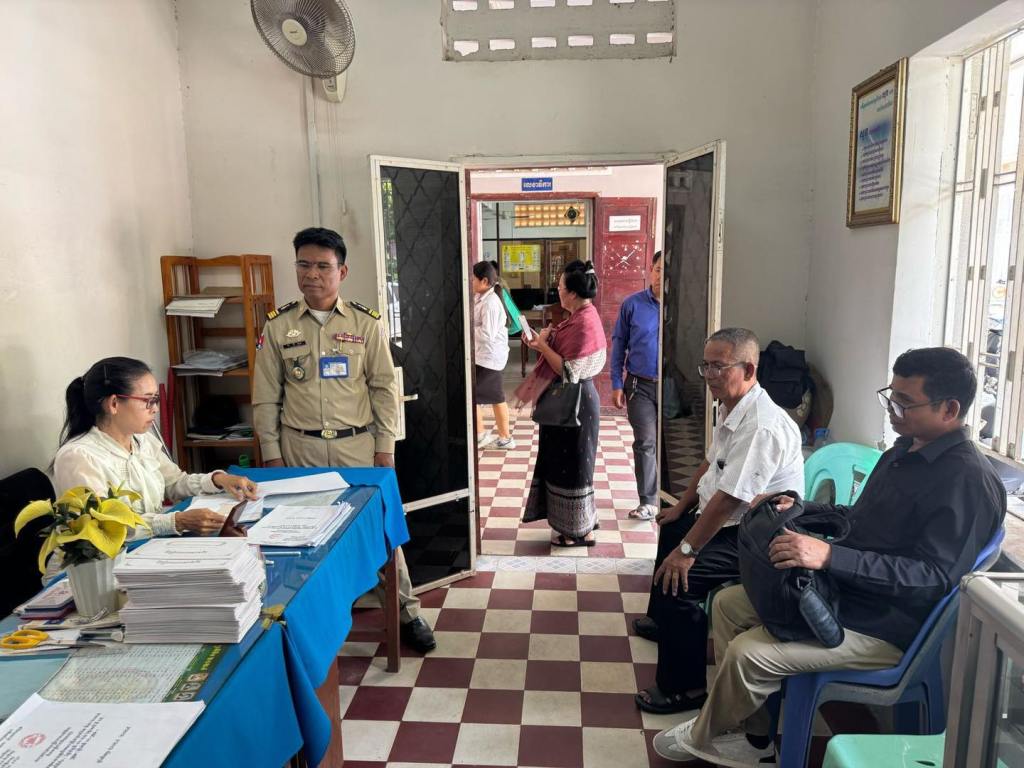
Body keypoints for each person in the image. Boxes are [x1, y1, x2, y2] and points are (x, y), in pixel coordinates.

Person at [654, 346, 1007, 767]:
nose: (892, 409)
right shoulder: (903, 451)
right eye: (890, 396)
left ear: (950, 409)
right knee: (729, 604)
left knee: (749, 653)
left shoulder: (967, 481)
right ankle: (753, 735)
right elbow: (857, 518)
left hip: (883, 624)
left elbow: (932, 577)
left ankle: (705, 734)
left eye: (905, 402)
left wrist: (828, 557)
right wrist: (799, 506)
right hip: (846, 594)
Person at [252, 226, 436, 653]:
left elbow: (384, 389)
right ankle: (305, 623)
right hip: (299, 450)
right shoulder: (279, 326)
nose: (312, 274)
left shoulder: (365, 323)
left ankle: (407, 612)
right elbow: (265, 397)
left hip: (357, 450)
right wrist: (272, 454)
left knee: (381, 534)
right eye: (304, 264)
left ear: (342, 271)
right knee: (299, 539)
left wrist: (385, 447)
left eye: (323, 266)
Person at [634, 328, 803, 715]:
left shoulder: (760, 426)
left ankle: (684, 688)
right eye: (705, 365)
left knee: (680, 579)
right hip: (733, 521)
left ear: (749, 369)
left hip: (758, 535)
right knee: (672, 528)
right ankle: (663, 622)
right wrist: (681, 507)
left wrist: (688, 551)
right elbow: (711, 464)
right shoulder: (731, 406)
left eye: (718, 367)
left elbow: (729, 499)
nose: (709, 375)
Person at [52, 357, 259, 540]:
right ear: (114, 403)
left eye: (156, 400)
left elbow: (174, 482)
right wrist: (177, 521)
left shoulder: (142, 440)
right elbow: (103, 527)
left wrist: (218, 480)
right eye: (148, 401)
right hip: (107, 564)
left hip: (151, 547)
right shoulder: (78, 457)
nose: (156, 409)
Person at [515, 260, 606, 547]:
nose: (558, 290)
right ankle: (576, 527)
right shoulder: (576, 318)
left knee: (575, 467)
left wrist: (543, 345)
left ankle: (579, 531)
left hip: (575, 403)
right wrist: (541, 341)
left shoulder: (585, 323)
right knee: (561, 464)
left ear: (573, 293)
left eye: (561, 286)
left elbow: (569, 371)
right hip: (567, 401)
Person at [611, 251, 662, 520]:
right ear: (650, 270)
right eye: (658, 269)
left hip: (673, 387)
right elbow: (619, 344)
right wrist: (616, 382)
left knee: (674, 444)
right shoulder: (633, 304)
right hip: (639, 385)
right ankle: (649, 501)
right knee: (645, 442)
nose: (661, 275)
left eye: (667, 271)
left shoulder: (686, 306)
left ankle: (677, 498)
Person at [472, 260, 514, 451]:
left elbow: (487, 334)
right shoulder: (481, 297)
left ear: (484, 281)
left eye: (474, 279)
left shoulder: (491, 303)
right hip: (485, 357)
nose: (471, 282)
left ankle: (488, 435)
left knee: (473, 395)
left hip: (490, 358)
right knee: (493, 397)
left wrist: (468, 330)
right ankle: (499, 437)